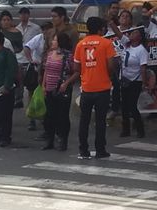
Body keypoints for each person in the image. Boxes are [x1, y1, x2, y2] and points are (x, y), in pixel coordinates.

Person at [69, 17, 119, 158]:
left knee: (84, 120)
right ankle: (100, 150)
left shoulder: (80, 44)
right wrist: (107, 74)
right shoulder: (106, 43)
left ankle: (83, 150)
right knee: (100, 120)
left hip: (86, 88)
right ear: (100, 29)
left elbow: (76, 67)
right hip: (102, 87)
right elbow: (111, 65)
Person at [41, 32, 77, 151]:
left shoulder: (68, 56)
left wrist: (66, 83)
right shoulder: (50, 54)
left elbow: (76, 72)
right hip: (49, 88)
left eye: (55, 40)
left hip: (62, 89)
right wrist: (44, 85)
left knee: (62, 116)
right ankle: (50, 139)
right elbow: (46, 70)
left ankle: (63, 139)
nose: (52, 42)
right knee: (49, 116)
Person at [117, 27, 150, 139]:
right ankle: (125, 129)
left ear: (139, 37)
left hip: (135, 80)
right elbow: (119, 34)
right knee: (124, 106)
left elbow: (143, 68)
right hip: (125, 79)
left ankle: (140, 129)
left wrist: (144, 83)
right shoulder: (127, 45)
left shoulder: (141, 50)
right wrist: (111, 22)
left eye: (134, 33)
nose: (131, 34)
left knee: (132, 105)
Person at [24, 22, 53, 133]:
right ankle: (31, 119)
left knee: (46, 94)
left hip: (48, 69)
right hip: (37, 68)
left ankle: (44, 116)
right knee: (32, 92)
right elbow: (27, 47)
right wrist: (31, 60)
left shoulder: (54, 39)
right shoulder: (39, 38)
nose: (46, 32)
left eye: (48, 29)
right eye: (44, 29)